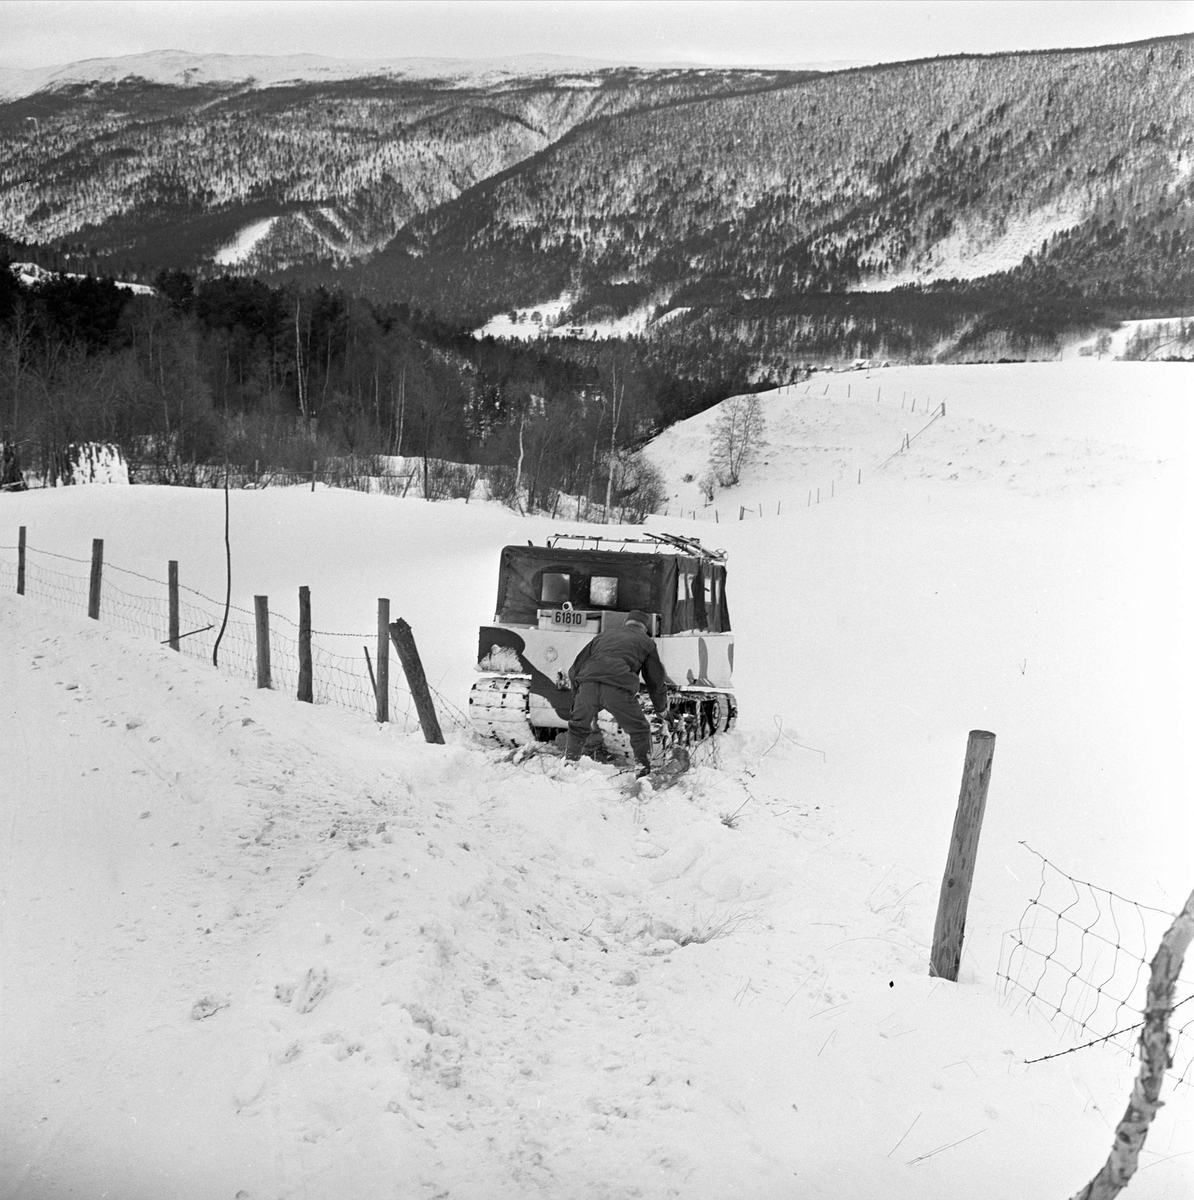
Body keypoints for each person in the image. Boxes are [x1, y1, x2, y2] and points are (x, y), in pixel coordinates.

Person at [564, 609, 669, 777]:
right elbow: (655, 680)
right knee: (640, 730)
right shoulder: (647, 642)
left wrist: (577, 697)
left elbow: (574, 669)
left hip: (588, 685)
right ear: (644, 627)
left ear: (626, 622)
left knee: (577, 726)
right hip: (617, 689)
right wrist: (661, 708)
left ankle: (569, 766)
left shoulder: (603, 636)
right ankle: (643, 772)